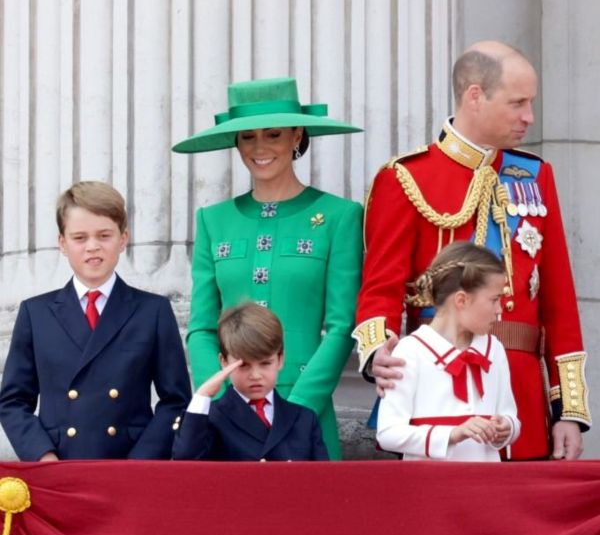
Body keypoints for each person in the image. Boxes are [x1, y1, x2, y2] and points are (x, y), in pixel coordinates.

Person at [353, 40, 591, 461]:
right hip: (435, 392)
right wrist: (378, 354)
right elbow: (380, 287)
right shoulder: (406, 177)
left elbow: (559, 300)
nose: (528, 117)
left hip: (521, 403)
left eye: (530, 103)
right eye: (518, 102)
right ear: (474, 96)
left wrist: (567, 409)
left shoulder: (536, 175)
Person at [172, 77, 363, 460]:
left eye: (273, 134)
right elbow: (202, 326)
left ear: (296, 135)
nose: (259, 148)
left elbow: (342, 325)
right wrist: (226, 397)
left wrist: (301, 405)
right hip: (229, 417)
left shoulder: (340, 217)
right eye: (247, 137)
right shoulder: (213, 220)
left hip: (306, 407)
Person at [0, 181, 192, 461]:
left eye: (104, 235)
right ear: (62, 243)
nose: (92, 247)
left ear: (123, 239)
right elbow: (13, 401)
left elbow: (176, 401)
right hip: (60, 465)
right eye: (80, 238)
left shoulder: (153, 311)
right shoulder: (35, 313)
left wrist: (141, 461)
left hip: (130, 465)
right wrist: (42, 455)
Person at [377, 242, 520, 461]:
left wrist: (507, 428)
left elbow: (509, 414)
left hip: (486, 487)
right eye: (494, 300)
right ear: (461, 300)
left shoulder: (495, 350)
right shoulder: (411, 351)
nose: (500, 310)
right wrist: (451, 434)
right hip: (429, 488)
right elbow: (388, 433)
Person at [173, 302, 328, 461]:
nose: (255, 375)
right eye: (244, 365)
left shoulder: (304, 419)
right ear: (224, 361)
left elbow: (322, 479)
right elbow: (186, 459)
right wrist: (202, 395)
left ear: (280, 359)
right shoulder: (212, 417)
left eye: (265, 363)